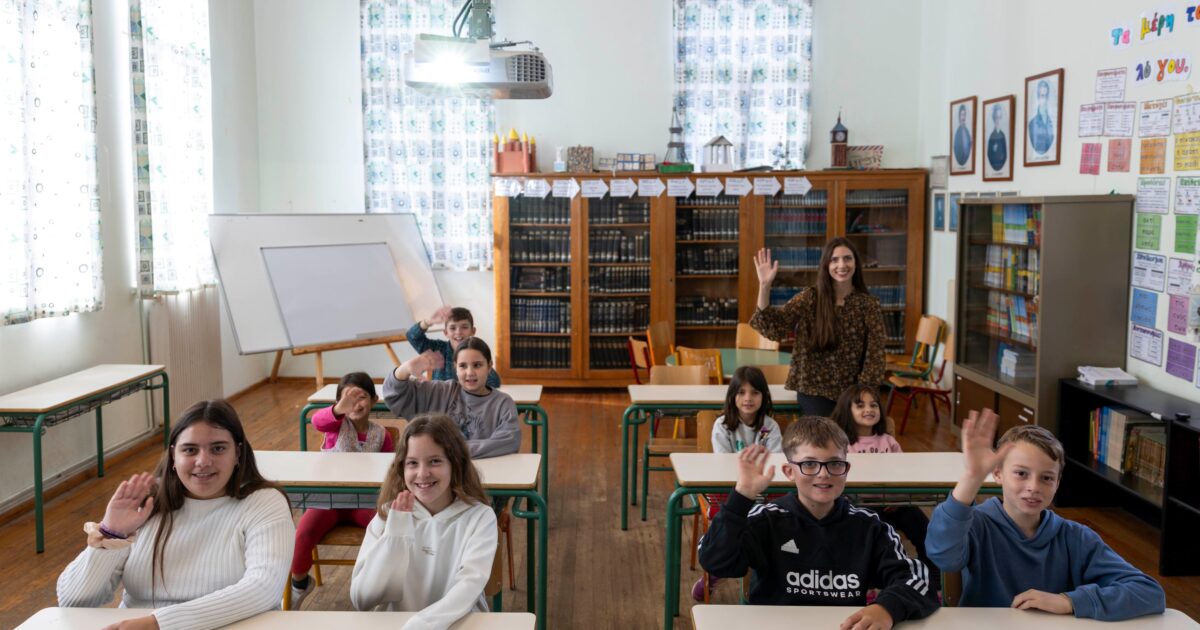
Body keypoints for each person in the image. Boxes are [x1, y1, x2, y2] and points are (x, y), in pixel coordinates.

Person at [57, 400, 294, 630]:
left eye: (218, 448)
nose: (203, 461)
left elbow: (263, 588)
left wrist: (159, 624)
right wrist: (111, 534)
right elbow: (72, 602)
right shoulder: (145, 503)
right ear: (173, 456)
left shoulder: (264, 502)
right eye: (190, 450)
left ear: (238, 453)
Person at [698, 416, 938, 629]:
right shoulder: (766, 519)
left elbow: (919, 580)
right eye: (809, 464)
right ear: (789, 472)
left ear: (846, 469)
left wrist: (886, 608)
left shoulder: (870, 527)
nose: (823, 473)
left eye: (834, 463)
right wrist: (741, 497)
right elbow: (714, 561)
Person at [926, 409, 1166, 620]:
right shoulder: (976, 526)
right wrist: (972, 478)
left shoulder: (1075, 537)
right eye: (1021, 473)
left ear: (1058, 483)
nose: (1034, 487)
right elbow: (942, 555)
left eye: (1047, 478)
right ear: (998, 474)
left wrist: (1069, 602)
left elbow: (1149, 593)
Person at [350, 414, 498, 629]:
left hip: (456, 624)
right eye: (412, 463)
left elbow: (468, 586)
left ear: (455, 463)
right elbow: (362, 598)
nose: (422, 473)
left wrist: (421, 625)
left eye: (435, 461)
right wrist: (395, 537)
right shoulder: (388, 515)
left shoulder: (480, 517)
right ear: (401, 468)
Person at [289, 372, 396, 609]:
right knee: (303, 534)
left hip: (364, 502)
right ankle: (299, 584)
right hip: (330, 501)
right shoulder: (334, 426)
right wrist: (339, 409)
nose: (355, 404)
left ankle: (380, 582)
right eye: (348, 398)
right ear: (338, 403)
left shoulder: (382, 434)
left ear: (374, 400)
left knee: (387, 531)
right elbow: (318, 421)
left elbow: (389, 470)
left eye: (361, 397)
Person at [750, 238, 886, 416]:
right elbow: (774, 329)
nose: (842, 265)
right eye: (834, 260)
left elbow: (875, 355)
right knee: (824, 432)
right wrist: (764, 286)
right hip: (813, 389)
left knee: (852, 433)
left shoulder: (869, 305)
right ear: (826, 265)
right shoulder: (810, 297)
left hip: (853, 391)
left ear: (856, 263)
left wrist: (863, 393)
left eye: (847, 258)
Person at [830, 384, 940, 592]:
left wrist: (899, 498)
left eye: (873, 405)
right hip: (860, 506)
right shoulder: (842, 445)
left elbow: (904, 474)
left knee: (925, 529)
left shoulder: (888, 441)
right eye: (860, 405)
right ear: (846, 410)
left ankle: (934, 580)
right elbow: (838, 481)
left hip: (895, 503)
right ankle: (874, 585)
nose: (869, 409)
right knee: (876, 538)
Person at [691, 365, 781, 601]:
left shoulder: (770, 427)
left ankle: (765, 573)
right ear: (732, 396)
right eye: (741, 392)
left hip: (763, 489)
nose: (748, 398)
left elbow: (775, 460)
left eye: (754, 392)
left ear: (764, 396)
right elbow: (724, 465)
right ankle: (716, 572)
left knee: (777, 518)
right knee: (735, 523)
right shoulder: (722, 425)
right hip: (730, 490)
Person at [384, 337, 520, 458]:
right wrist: (405, 369)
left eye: (477, 365)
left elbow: (509, 441)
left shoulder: (503, 403)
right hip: (439, 473)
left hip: (486, 472)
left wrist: (447, 449)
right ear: (455, 368)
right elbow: (393, 394)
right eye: (463, 366)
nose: (470, 372)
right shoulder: (441, 392)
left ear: (489, 367)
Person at [407, 305, 501, 388]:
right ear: (446, 332)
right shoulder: (438, 349)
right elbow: (412, 336)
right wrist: (427, 322)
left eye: (464, 327)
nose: (458, 332)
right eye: (453, 328)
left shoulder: (478, 353)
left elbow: (495, 383)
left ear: (473, 331)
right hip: (441, 399)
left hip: (467, 400)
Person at [1028, 79, 1055, 156]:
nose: (1044, 100)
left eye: (1046, 96)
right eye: (1042, 96)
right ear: (1038, 97)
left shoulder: (1052, 122)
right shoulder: (1032, 124)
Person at [987, 103, 1007, 173]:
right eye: (996, 117)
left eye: (999, 117)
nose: (998, 120)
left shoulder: (1003, 135)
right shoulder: (991, 136)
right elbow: (989, 155)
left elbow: (1005, 155)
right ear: (993, 118)